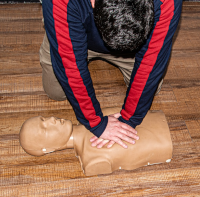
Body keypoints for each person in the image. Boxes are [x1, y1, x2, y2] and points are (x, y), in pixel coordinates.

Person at [40, 0, 182, 149]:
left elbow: (151, 63)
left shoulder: (167, 1)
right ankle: (59, 26)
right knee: (55, 91)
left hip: (132, 45)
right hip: (73, 26)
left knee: (153, 88)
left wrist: (129, 119)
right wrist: (95, 123)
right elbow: (70, 68)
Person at [19, 107, 173, 176]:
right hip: (164, 142)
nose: (51, 120)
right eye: (45, 129)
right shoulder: (91, 160)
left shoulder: (95, 115)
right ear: (48, 149)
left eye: (44, 119)